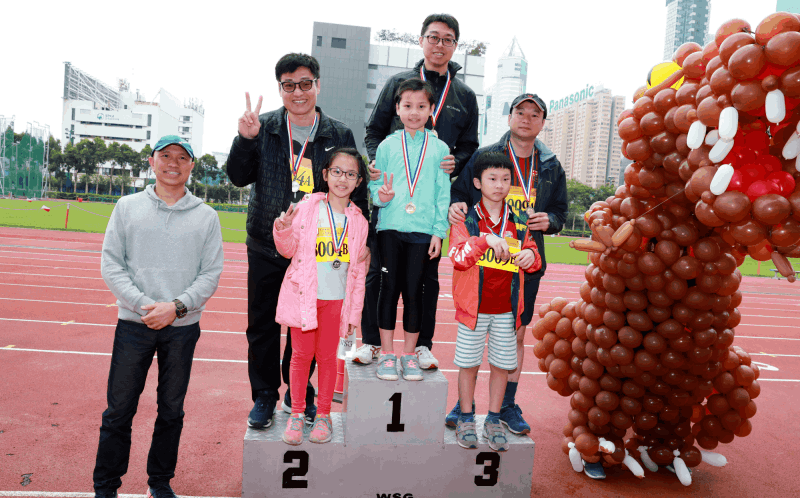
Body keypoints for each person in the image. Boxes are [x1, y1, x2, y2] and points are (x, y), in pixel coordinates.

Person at [227, 53, 370, 430]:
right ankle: (264, 395)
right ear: (280, 89)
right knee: (261, 325)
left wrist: (362, 237)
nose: (298, 92)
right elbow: (238, 176)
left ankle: (298, 391)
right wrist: (245, 139)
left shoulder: (338, 134)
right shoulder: (264, 126)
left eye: (306, 83)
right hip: (266, 242)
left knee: (306, 323)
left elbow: (357, 186)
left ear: (318, 85)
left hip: (315, 251)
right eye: (289, 85)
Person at [93, 135, 224, 498]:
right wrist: (144, 306)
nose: (173, 163)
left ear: (191, 166)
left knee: (171, 411)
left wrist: (176, 307)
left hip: (182, 328)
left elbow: (210, 273)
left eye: (182, 157)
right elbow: (111, 264)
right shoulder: (127, 207)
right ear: (152, 162)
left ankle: (160, 482)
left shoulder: (207, 216)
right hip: (134, 325)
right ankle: (105, 487)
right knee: (119, 410)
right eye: (165, 156)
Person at [355, 13, 479, 370]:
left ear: (455, 46)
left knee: (425, 281)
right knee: (379, 276)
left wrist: (456, 161)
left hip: (430, 205)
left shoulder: (465, 94)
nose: (439, 45)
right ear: (422, 40)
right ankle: (373, 343)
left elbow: (470, 144)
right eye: (433, 37)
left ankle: (421, 346)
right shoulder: (398, 82)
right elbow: (373, 130)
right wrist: (376, 164)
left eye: (447, 39)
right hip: (391, 199)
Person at [445, 93, 568, 435]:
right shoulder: (486, 156)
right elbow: (460, 193)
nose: (526, 118)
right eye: (520, 111)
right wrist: (455, 206)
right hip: (480, 260)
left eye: (534, 114)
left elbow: (560, 211)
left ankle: (506, 405)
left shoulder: (551, 165)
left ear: (542, 122)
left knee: (516, 333)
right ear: (510, 116)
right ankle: (465, 404)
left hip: (522, 256)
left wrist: (550, 222)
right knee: (473, 338)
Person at [272, 148, 369, 445]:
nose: (342, 178)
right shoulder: (306, 208)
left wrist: (353, 314)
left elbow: (358, 274)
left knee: (328, 359)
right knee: (300, 357)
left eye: (350, 174)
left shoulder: (359, 222)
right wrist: (282, 229)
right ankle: (297, 413)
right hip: (305, 297)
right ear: (325, 174)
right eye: (337, 171)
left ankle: (324, 414)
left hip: (336, 302)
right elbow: (287, 250)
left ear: (358, 181)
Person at [448, 152, 541, 452]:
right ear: (477, 182)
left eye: (505, 179)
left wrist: (530, 256)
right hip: (473, 310)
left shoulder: (520, 222)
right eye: (492, 178)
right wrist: (485, 240)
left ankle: (493, 418)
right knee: (468, 364)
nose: (499, 185)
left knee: (501, 366)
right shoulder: (466, 219)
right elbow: (458, 256)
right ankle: (465, 417)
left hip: (506, 311)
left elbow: (534, 257)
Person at [369, 78, 450, 381]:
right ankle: (387, 354)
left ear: (431, 110)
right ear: (397, 109)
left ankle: (409, 355)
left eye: (421, 106)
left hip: (422, 232)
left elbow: (443, 194)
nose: (414, 112)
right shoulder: (387, 146)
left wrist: (438, 232)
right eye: (407, 106)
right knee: (388, 289)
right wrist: (382, 197)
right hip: (390, 227)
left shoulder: (440, 149)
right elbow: (376, 189)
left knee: (415, 292)